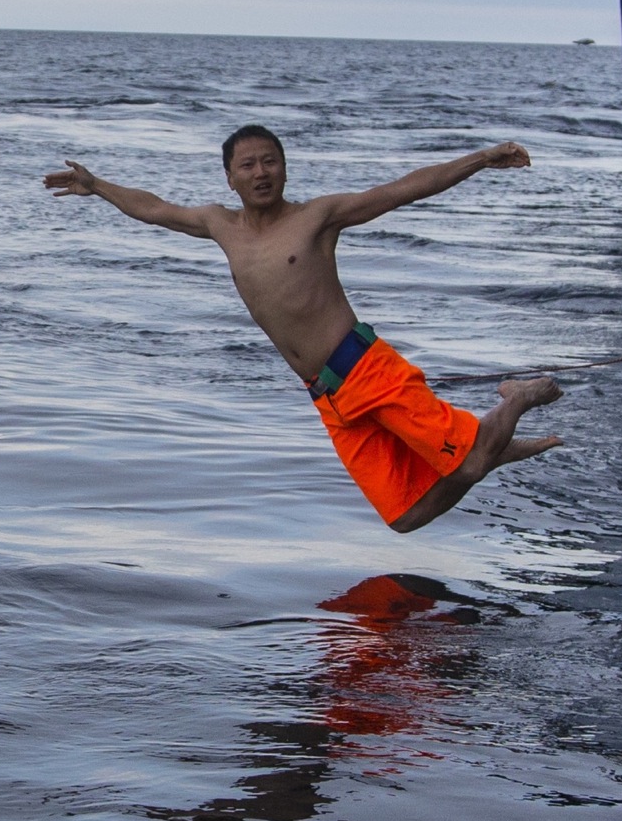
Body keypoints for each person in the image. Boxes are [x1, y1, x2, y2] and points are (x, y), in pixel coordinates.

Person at [43, 127, 562, 530]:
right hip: (327, 395)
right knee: (406, 515)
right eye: (248, 165)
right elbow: (155, 208)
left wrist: (482, 158)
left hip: (367, 370)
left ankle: (514, 401)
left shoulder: (316, 218)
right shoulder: (220, 225)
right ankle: (485, 449)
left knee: (467, 464)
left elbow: (401, 190)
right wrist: (98, 186)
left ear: (286, 169)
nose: (261, 172)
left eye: (270, 161)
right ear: (229, 177)